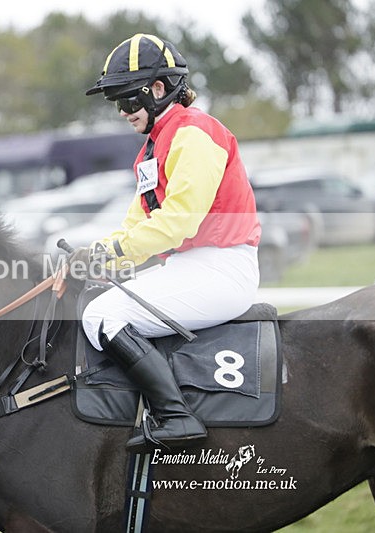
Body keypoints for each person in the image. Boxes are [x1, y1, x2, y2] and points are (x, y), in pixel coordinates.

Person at [72, 33, 261, 452]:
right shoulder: (152, 151)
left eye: (126, 100)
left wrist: (112, 253)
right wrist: (98, 256)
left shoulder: (195, 134)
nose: (121, 112)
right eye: (115, 103)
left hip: (222, 267)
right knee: (95, 303)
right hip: (192, 267)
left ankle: (176, 417)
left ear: (158, 89)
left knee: (103, 316)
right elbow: (136, 222)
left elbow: (177, 222)